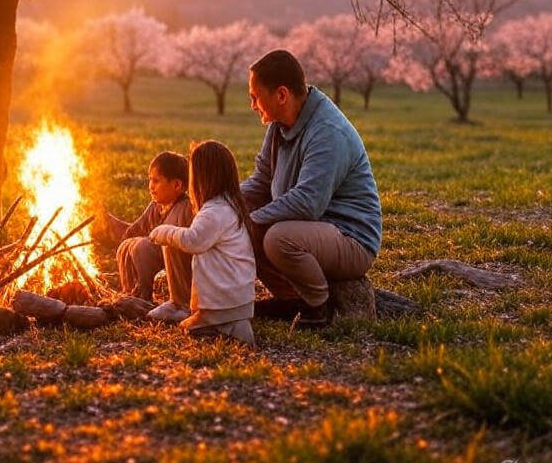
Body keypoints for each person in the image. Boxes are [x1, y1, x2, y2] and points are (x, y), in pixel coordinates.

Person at [241, 49, 382, 328]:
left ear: (281, 95)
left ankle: (317, 306)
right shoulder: (280, 125)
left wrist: (252, 218)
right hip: (313, 229)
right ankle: (290, 298)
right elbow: (261, 180)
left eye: (255, 97)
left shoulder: (328, 131)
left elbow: (308, 202)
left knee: (276, 237)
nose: (253, 105)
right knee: (243, 226)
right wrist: (224, 203)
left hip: (350, 237)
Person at [149, 141, 256, 345]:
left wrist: (164, 231)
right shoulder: (229, 204)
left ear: (203, 178)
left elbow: (193, 241)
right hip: (239, 297)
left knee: (188, 329)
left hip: (224, 300)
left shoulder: (215, 211)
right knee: (193, 325)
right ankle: (231, 324)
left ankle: (227, 328)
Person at [110, 152, 194, 321]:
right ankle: (130, 293)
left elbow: (188, 246)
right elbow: (137, 228)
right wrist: (121, 236)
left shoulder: (185, 209)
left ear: (177, 185)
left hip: (179, 267)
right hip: (158, 257)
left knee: (142, 247)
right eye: (150, 180)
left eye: (156, 181)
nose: (150, 186)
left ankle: (145, 298)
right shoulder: (155, 206)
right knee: (128, 245)